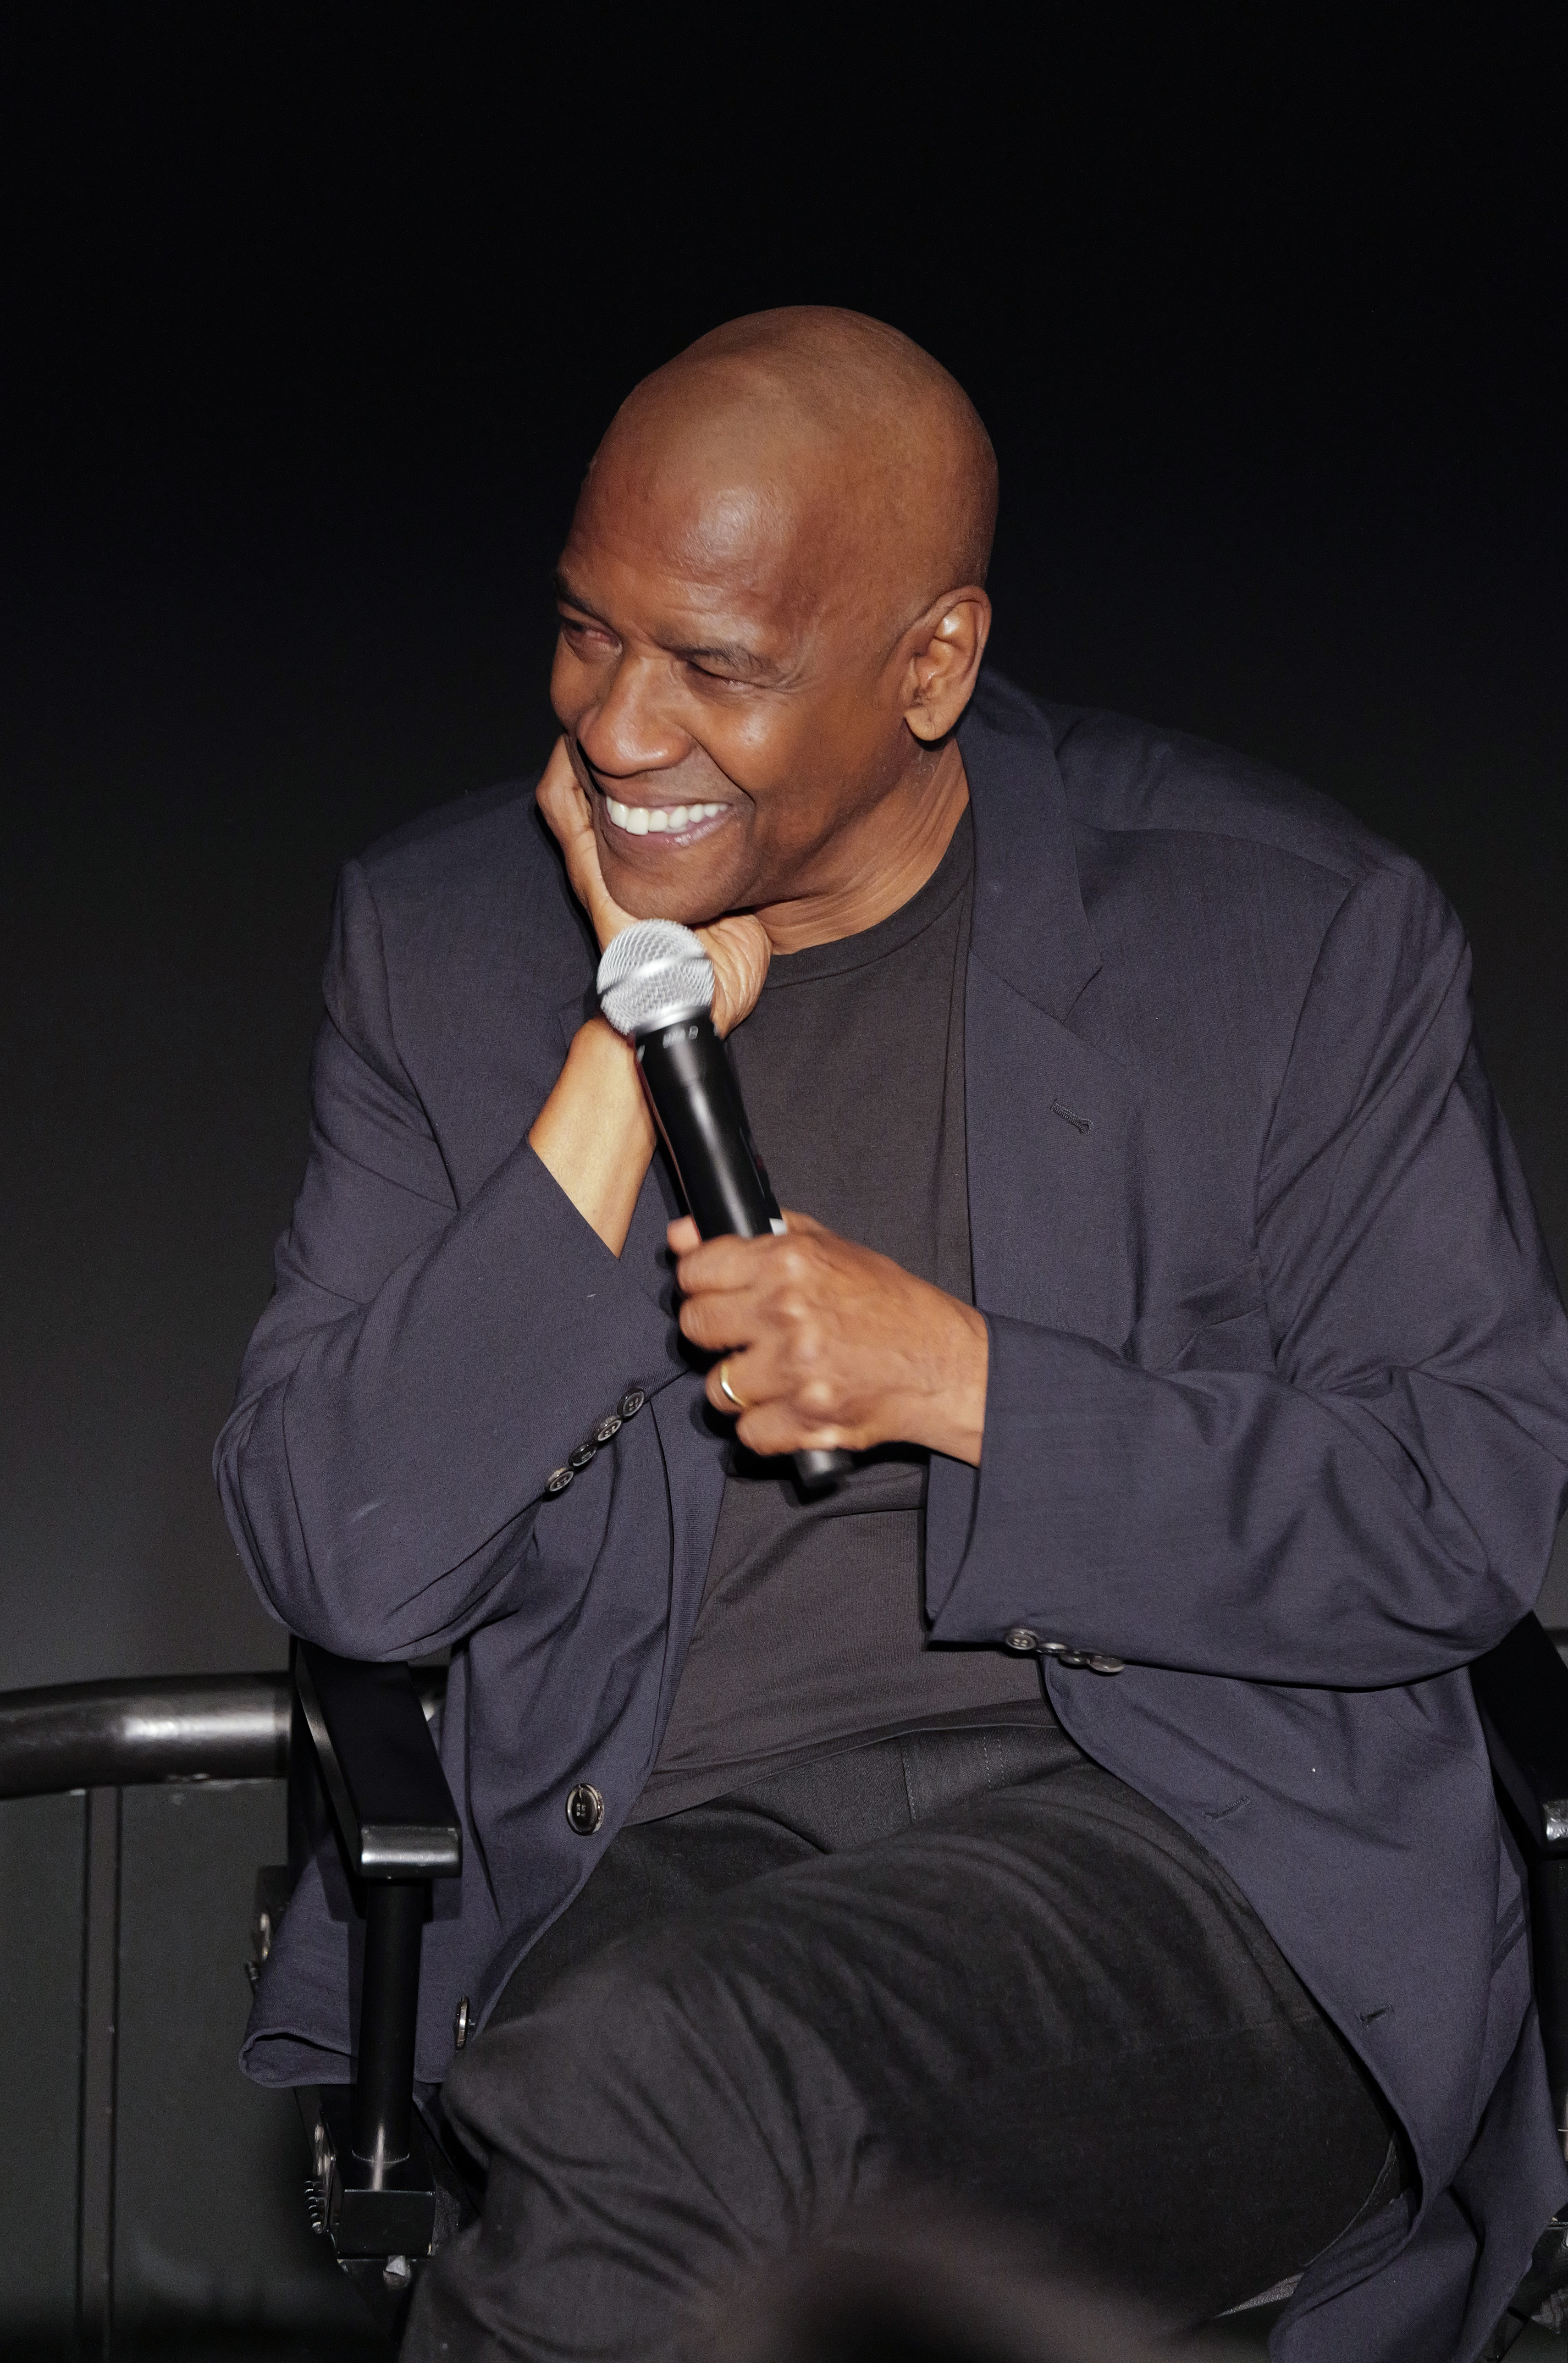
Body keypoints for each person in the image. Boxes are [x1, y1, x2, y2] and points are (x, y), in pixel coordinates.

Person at [218, 308, 1568, 2362]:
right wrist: (624, 1035)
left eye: (718, 665)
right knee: (639, 2097)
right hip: (656, 1854)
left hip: (1193, 1864)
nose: (616, 724)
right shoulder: (446, 944)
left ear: (931, 663)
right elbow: (350, 1545)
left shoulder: (1283, 934)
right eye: (588, 631)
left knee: (641, 2087)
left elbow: (1475, 1503)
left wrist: (979, 1389)